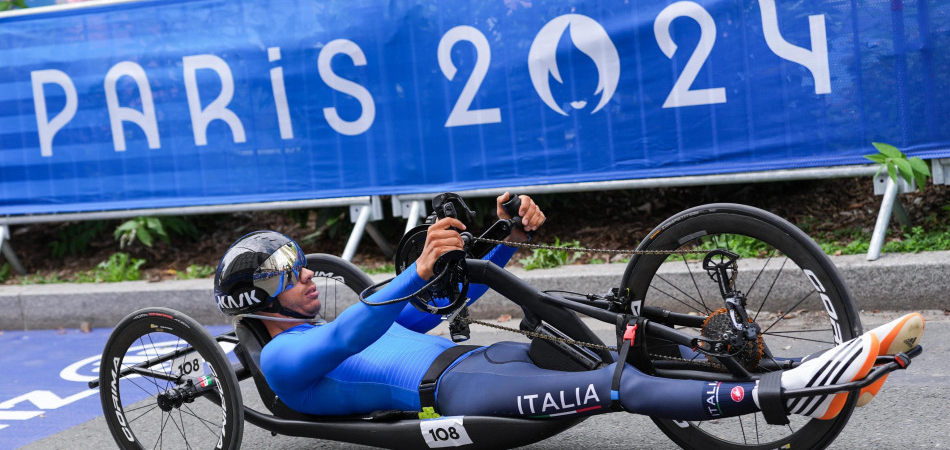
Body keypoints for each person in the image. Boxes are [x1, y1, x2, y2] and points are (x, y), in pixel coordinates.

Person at [213, 193, 925, 421]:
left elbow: (438, 301)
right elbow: (344, 334)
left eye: (304, 264)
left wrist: (509, 242)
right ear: (254, 296)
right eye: (286, 271)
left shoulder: (366, 320)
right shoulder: (281, 359)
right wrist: (417, 268)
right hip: (460, 387)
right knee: (617, 382)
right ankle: (785, 394)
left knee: (635, 347)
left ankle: (818, 369)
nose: (305, 274)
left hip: (487, 357)